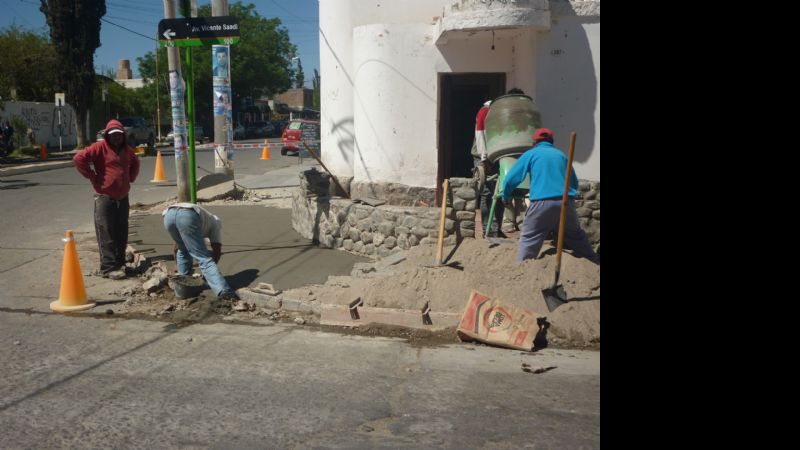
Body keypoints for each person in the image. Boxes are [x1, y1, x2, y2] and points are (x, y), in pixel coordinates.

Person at [501, 128, 599, 264]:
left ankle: (523, 270)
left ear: (534, 142)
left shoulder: (531, 154)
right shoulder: (561, 155)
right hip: (566, 202)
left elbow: (511, 179)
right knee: (575, 236)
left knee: (530, 238)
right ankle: (594, 264)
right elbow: (574, 182)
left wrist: (506, 195)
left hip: (541, 203)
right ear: (552, 141)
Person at [73, 119, 141, 279]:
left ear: (123, 135)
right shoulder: (99, 147)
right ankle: (108, 268)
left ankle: (120, 264)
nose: (116, 138)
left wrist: (131, 177)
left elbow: (135, 162)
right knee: (106, 233)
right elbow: (79, 158)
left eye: (118, 135)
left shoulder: (127, 150)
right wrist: (92, 176)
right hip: (105, 198)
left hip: (123, 197)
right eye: (113, 135)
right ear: (107, 136)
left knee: (121, 232)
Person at [162, 203, 239, 300]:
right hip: (187, 214)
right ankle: (224, 292)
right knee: (203, 257)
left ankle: (183, 288)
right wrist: (208, 274)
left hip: (169, 215)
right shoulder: (215, 223)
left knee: (183, 250)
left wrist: (177, 264)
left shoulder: (206, 220)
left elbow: (176, 248)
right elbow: (217, 250)